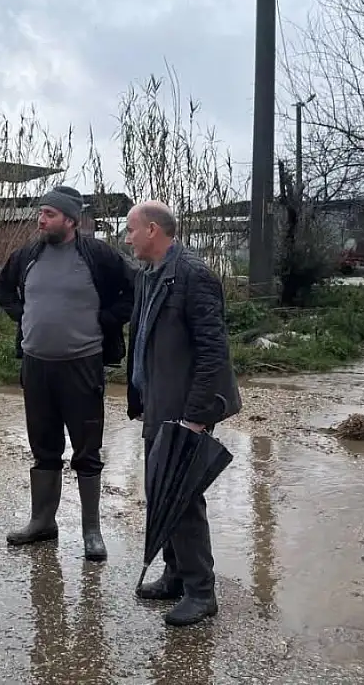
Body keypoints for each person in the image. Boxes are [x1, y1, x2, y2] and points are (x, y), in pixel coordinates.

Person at [0, 185, 136, 562]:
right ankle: (42, 522)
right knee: (43, 447)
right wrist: (22, 315)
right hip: (36, 365)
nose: (41, 220)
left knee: (86, 449)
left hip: (82, 365)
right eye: (40, 212)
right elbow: (0, 286)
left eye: (49, 214)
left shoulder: (98, 255)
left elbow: (134, 288)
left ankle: (91, 530)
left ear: (71, 220)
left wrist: (106, 319)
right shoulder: (28, 255)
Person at [124, 201, 241, 627]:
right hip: (159, 401)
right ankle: (174, 575)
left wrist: (195, 416)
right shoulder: (149, 276)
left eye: (131, 229)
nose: (126, 236)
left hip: (184, 407)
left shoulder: (194, 274)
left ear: (153, 230)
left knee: (184, 496)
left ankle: (200, 592)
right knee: (161, 490)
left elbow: (213, 351)